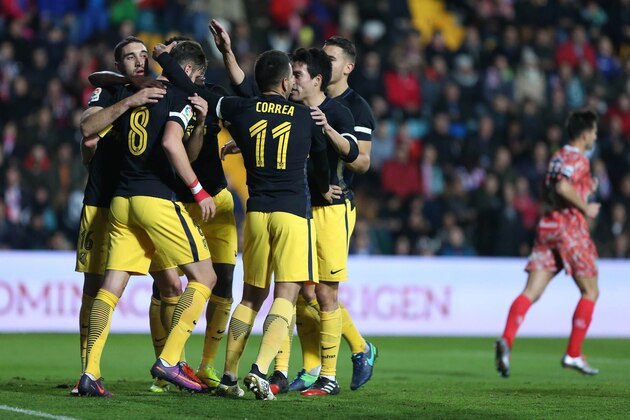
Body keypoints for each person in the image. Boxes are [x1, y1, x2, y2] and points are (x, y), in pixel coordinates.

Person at [154, 45, 332, 401]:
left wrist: (165, 59)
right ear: (285, 81)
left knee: (251, 296)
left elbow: (194, 90)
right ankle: (260, 369)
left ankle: (230, 374)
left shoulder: (240, 108)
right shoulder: (306, 117)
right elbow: (323, 176)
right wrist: (324, 188)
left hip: (255, 215)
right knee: (287, 292)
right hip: (292, 214)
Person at [210, 19, 378, 393]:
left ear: (327, 74)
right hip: (297, 209)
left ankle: (335, 370)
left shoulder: (347, 110)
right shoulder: (296, 108)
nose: (295, 79)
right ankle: (283, 370)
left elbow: (359, 158)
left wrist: (330, 173)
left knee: (321, 293)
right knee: (301, 293)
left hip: (329, 209)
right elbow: (252, 95)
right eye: (294, 73)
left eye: (303, 72)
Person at [90, 35, 237, 393]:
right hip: (155, 198)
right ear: (188, 71)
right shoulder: (175, 95)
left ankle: (90, 372)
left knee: (110, 289)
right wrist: (198, 190)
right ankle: (170, 360)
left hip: (121, 202)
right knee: (205, 278)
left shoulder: (133, 95)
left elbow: (91, 134)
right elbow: (173, 144)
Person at [71, 35, 166, 396]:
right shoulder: (109, 94)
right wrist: (131, 100)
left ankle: (168, 368)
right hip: (103, 201)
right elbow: (86, 129)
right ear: (119, 64)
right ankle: (87, 372)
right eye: (130, 57)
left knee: (170, 283)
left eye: (144, 54)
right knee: (93, 288)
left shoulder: (162, 91)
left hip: (149, 201)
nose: (139, 60)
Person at [495, 109, 601, 378]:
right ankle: (573, 353)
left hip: (547, 227)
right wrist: (585, 206)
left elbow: (550, 191)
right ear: (586, 134)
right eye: (595, 132)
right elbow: (564, 188)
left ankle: (507, 339)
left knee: (531, 291)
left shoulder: (557, 157)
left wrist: (585, 190)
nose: (596, 137)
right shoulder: (579, 159)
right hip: (570, 229)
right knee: (590, 291)